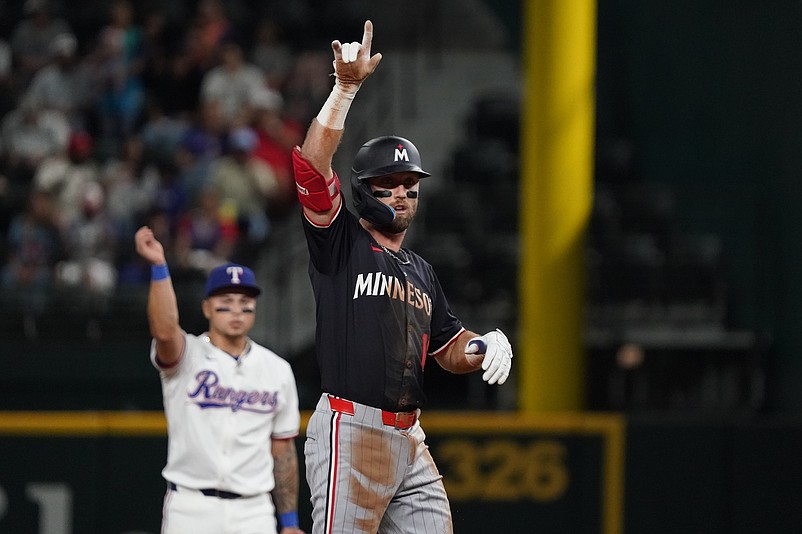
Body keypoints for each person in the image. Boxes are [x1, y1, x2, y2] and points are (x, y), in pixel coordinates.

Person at [292, 20, 514, 534]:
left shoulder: (422, 272)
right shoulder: (340, 241)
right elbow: (310, 166)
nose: (401, 194)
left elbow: (449, 347)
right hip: (351, 426)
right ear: (366, 189)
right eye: (389, 185)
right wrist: (345, 89)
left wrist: (483, 346)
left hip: (409, 438)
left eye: (409, 185)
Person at [133, 226, 306, 534]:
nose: (237, 309)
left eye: (245, 300)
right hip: (191, 507)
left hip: (254, 510)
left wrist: (290, 522)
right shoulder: (187, 356)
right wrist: (160, 267)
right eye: (226, 300)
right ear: (207, 307)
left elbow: (283, 452)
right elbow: (163, 331)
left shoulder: (277, 369)